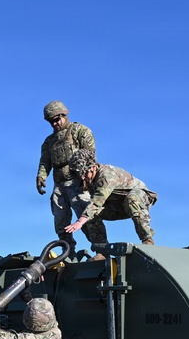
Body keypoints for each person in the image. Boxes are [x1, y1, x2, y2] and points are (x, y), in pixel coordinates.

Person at [35, 100, 106, 256]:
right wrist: (41, 176)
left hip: (79, 182)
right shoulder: (49, 142)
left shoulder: (80, 131)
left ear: (64, 115)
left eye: (56, 120)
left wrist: (86, 181)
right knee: (61, 221)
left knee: (88, 218)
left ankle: (101, 250)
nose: (54, 124)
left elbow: (89, 156)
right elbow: (45, 161)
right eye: (51, 122)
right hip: (59, 184)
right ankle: (68, 252)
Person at [64, 149, 158, 247]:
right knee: (90, 213)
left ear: (93, 167)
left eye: (85, 173)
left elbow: (97, 202)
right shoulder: (89, 179)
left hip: (140, 199)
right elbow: (93, 208)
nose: (83, 178)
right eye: (80, 175)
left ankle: (147, 240)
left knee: (131, 199)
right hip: (119, 205)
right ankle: (101, 249)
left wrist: (80, 222)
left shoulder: (107, 175)